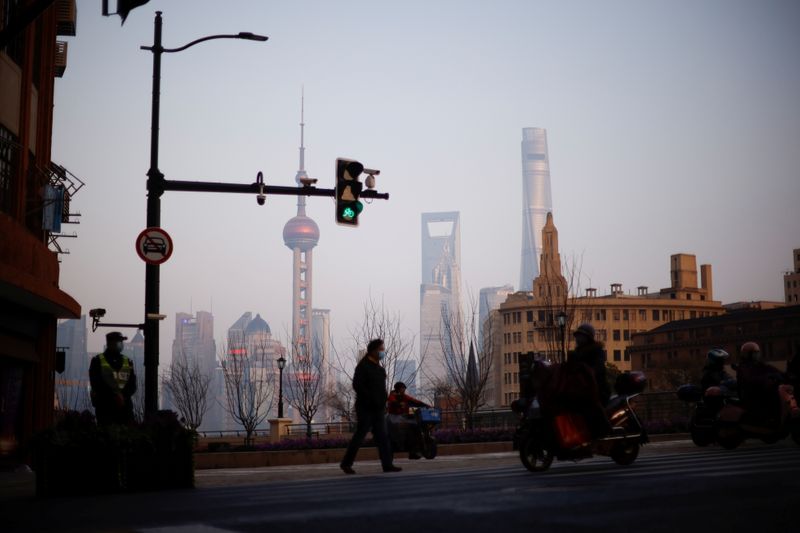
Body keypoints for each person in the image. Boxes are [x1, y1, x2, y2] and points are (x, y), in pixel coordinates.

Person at [340, 339, 402, 474]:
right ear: (373, 350)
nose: (382, 352)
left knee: (383, 437)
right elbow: (357, 386)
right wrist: (370, 399)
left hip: (379, 409)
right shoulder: (363, 366)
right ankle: (346, 464)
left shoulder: (380, 368)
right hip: (365, 408)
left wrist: (383, 402)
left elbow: (382, 389)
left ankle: (387, 465)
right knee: (360, 435)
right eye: (381, 349)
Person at [89, 331, 137, 426]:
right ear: (111, 343)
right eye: (120, 342)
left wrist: (123, 396)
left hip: (124, 409)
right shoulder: (97, 361)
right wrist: (115, 396)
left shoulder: (128, 362)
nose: (121, 344)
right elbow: (96, 384)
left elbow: (132, 385)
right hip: (105, 409)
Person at [736, 342, 783, 421]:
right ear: (747, 354)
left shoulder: (759, 364)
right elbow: (750, 379)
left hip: (759, 392)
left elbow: (771, 369)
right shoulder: (743, 367)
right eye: (754, 353)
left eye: (757, 353)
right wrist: (767, 377)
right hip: (751, 396)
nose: (756, 355)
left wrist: (783, 375)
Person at [386, 382, 428, 459]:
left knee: (415, 425)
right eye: (403, 388)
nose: (404, 390)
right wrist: (398, 404)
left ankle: (415, 450)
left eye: (404, 388)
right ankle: (412, 451)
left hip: (401, 417)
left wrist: (425, 405)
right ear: (398, 389)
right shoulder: (392, 396)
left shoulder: (403, 396)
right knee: (410, 427)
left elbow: (414, 400)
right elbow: (392, 402)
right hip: (394, 418)